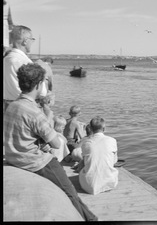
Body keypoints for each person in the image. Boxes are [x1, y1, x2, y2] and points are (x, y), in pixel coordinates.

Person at [3, 63, 97, 221]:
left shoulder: (11, 106)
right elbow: (57, 144)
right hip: (35, 162)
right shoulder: (34, 112)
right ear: (39, 84)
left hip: (13, 157)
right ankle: (91, 219)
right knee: (70, 192)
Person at [79, 116, 118, 195]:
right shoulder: (112, 140)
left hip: (89, 185)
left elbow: (85, 162)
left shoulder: (86, 143)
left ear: (91, 129)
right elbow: (114, 161)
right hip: (110, 183)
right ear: (104, 128)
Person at [3, 25, 35, 111]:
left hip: (6, 105)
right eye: (32, 39)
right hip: (23, 107)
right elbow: (40, 91)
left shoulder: (6, 59)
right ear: (25, 41)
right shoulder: (24, 61)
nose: (32, 42)